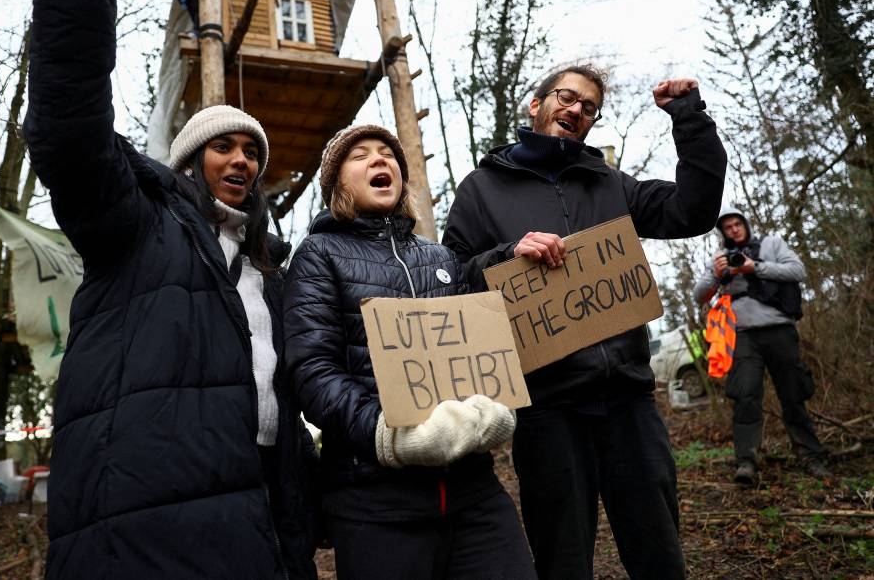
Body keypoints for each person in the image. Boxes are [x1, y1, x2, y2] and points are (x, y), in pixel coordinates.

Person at [23, 0, 317, 579]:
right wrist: (79, 2)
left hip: (264, 500)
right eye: (224, 147)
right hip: (149, 511)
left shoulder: (273, 269)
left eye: (252, 151)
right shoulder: (138, 226)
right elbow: (72, 144)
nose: (241, 159)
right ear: (188, 161)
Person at [442, 63, 727, 580]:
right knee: (562, 559)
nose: (576, 109)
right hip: (547, 410)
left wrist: (688, 119)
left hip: (629, 402)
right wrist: (507, 254)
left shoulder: (610, 184)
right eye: (566, 97)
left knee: (659, 552)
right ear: (537, 105)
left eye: (589, 106)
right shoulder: (481, 188)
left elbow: (693, 211)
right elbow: (453, 278)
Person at [283, 125, 536, 580]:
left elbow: (479, 353)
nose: (380, 161)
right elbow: (312, 370)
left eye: (388, 154)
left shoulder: (441, 259)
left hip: (472, 493)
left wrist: (495, 406)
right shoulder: (318, 255)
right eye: (360, 156)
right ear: (337, 183)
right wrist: (387, 435)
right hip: (374, 500)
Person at [693, 206, 830, 485]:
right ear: (723, 232)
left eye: (737, 224)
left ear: (746, 224)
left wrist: (754, 267)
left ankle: (811, 457)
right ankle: (746, 462)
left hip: (779, 328)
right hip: (742, 336)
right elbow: (699, 295)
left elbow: (797, 270)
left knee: (793, 394)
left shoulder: (772, 244)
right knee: (745, 396)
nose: (733, 229)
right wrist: (717, 275)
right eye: (727, 227)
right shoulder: (720, 258)